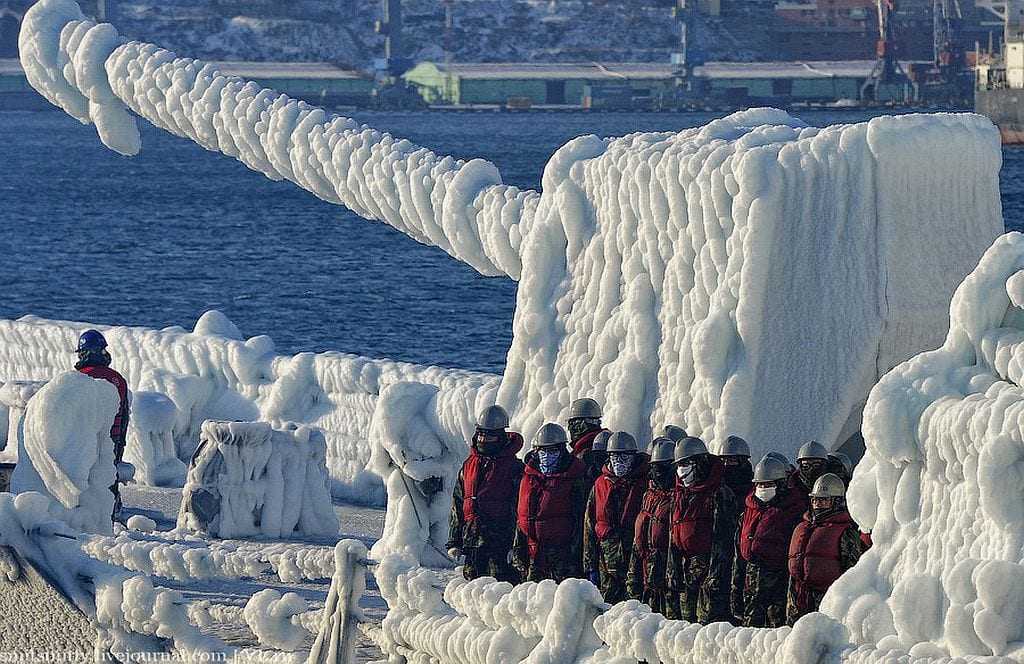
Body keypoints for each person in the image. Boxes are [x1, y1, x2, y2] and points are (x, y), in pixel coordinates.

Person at [447, 405, 525, 583]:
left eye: (489, 436)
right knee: (473, 590)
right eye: (481, 434)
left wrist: (516, 545)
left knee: (501, 589)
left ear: (501, 436)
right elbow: (459, 502)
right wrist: (454, 540)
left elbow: (520, 510)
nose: (483, 439)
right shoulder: (469, 466)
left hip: (501, 543)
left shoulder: (514, 468)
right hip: (472, 542)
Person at [666, 436, 737, 624]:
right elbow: (673, 533)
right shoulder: (679, 495)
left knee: (707, 624)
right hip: (685, 569)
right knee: (684, 623)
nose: (682, 471)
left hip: (709, 572)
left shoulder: (719, 494)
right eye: (679, 465)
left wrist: (715, 576)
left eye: (686, 464)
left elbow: (723, 540)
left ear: (700, 463)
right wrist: (672, 567)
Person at [732, 455, 806, 627]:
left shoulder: (794, 509)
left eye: (768, 484)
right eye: (760, 484)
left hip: (779, 581)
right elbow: (739, 551)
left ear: (780, 484)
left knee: (776, 632)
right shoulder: (750, 510)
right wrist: (736, 588)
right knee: (750, 631)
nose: (763, 489)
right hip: (751, 581)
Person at [512, 423, 589, 583]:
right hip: (534, 554)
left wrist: (575, 554)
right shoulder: (529, 477)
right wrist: (518, 549)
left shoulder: (574, 478)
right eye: (542, 450)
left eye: (552, 451)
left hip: (563, 556)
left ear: (562, 451)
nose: (547, 455)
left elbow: (580, 519)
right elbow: (521, 516)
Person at [786, 473, 862, 624]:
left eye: (823, 500)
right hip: (799, 601)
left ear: (836, 502)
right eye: (815, 500)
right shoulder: (801, 527)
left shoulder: (845, 531)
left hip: (827, 600)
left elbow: (852, 573)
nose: (818, 504)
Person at [584, 431, 649, 603]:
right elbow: (590, 524)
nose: (619, 462)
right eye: (615, 457)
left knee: (635, 610)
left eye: (624, 457)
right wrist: (590, 563)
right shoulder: (600, 484)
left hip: (635, 564)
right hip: (607, 563)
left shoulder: (645, 483)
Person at [75, 329, 130, 519]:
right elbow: (124, 415)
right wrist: (121, 443)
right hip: (112, 437)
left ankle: (83, 511)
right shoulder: (118, 379)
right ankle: (111, 509)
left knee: (85, 475)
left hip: (84, 438)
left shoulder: (79, 378)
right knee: (108, 474)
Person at [626, 437, 676, 615]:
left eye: (664, 467)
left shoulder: (678, 498)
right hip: (647, 576)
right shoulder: (649, 496)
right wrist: (633, 577)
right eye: (655, 467)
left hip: (669, 583)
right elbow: (638, 539)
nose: (659, 473)